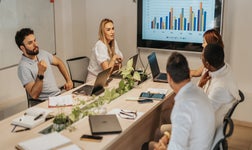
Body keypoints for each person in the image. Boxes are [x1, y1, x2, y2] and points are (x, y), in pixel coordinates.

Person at [148, 52, 215, 150]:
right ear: (188, 72)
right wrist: (167, 136)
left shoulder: (182, 108)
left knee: (149, 146)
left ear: (169, 78)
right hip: (206, 142)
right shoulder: (199, 92)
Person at [15, 28, 73, 101]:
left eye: (35, 40)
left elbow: (59, 62)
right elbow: (34, 95)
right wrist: (40, 73)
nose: (35, 44)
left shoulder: (42, 53)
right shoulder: (23, 67)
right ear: (22, 48)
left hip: (57, 95)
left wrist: (69, 80)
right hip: (44, 101)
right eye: (30, 43)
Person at [198, 43, 240, 127]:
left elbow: (200, 114)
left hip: (205, 129)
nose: (200, 58)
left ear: (207, 64)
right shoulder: (225, 68)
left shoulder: (219, 88)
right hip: (207, 117)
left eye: (201, 57)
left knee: (164, 127)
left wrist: (199, 86)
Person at [86, 18, 123, 82]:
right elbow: (107, 71)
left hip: (105, 78)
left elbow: (120, 62)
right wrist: (114, 58)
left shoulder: (113, 42)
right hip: (94, 80)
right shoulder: (100, 45)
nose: (112, 32)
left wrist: (117, 61)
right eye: (108, 30)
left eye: (113, 29)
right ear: (103, 32)